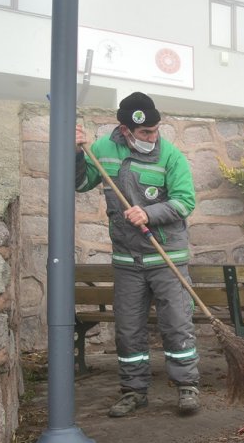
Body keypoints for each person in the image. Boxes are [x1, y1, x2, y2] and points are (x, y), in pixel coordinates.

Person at [75, 92, 200, 417]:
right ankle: (134, 391)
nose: (152, 137)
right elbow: (81, 182)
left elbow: (185, 200)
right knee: (128, 329)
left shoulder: (171, 156)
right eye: (145, 132)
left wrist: (148, 213)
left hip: (166, 258)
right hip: (127, 261)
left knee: (177, 324)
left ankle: (187, 386)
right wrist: (75, 153)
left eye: (155, 130)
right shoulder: (102, 149)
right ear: (125, 130)